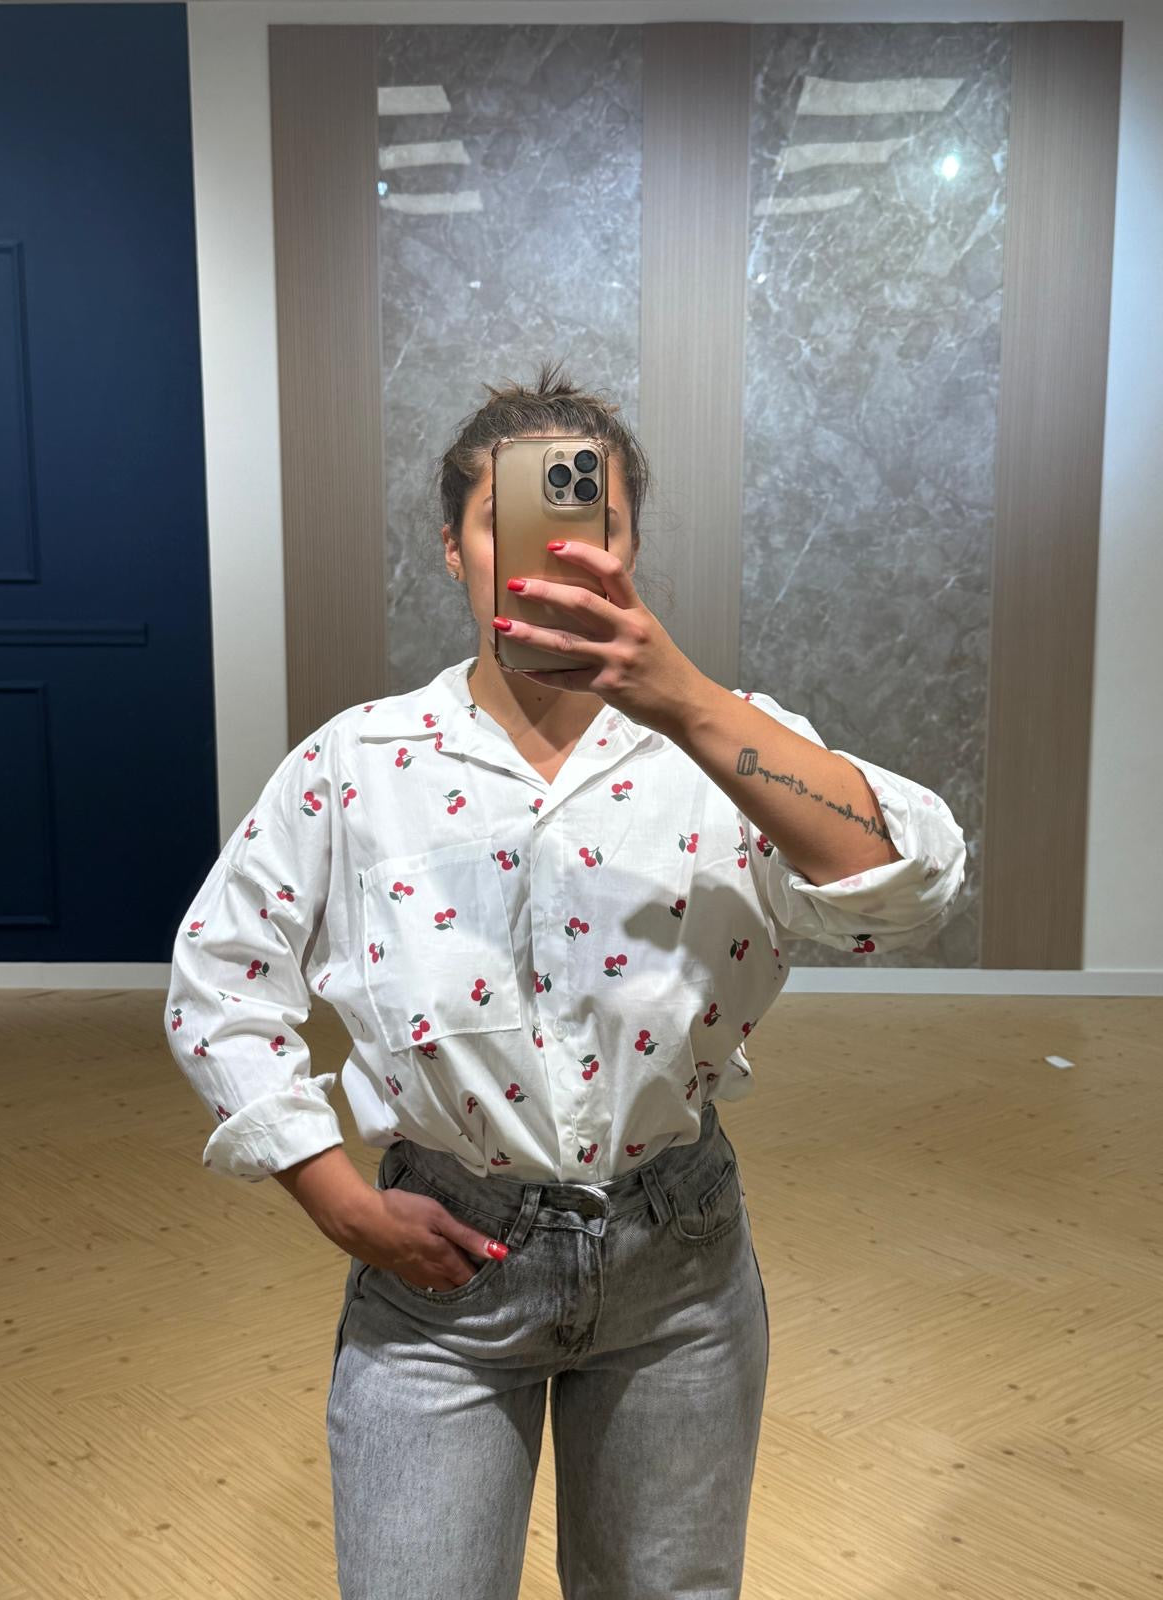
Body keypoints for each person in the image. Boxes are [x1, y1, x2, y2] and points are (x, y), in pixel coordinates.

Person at [164, 358, 966, 1599]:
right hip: (440, 1277)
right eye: (508, 520)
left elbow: (910, 884)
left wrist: (682, 697)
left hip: (679, 1265)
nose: (553, 551)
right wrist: (331, 1195)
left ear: (629, 546)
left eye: (595, 520)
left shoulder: (720, 742)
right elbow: (222, 973)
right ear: (454, 549)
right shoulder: (362, 761)